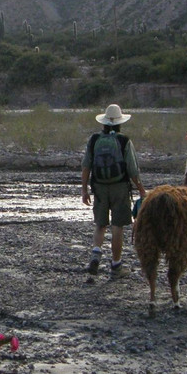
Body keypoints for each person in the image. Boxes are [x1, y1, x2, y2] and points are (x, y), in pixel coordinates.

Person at [81, 104, 146, 279]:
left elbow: (86, 166)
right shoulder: (124, 141)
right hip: (120, 188)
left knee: (100, 224)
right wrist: (141, 191)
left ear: (103, 123)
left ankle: (96, 253)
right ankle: (116, 266)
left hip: (99, 187)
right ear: (119, 123)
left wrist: (84, 190)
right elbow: (133, 170)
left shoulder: (94, 140)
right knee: (117, 226)